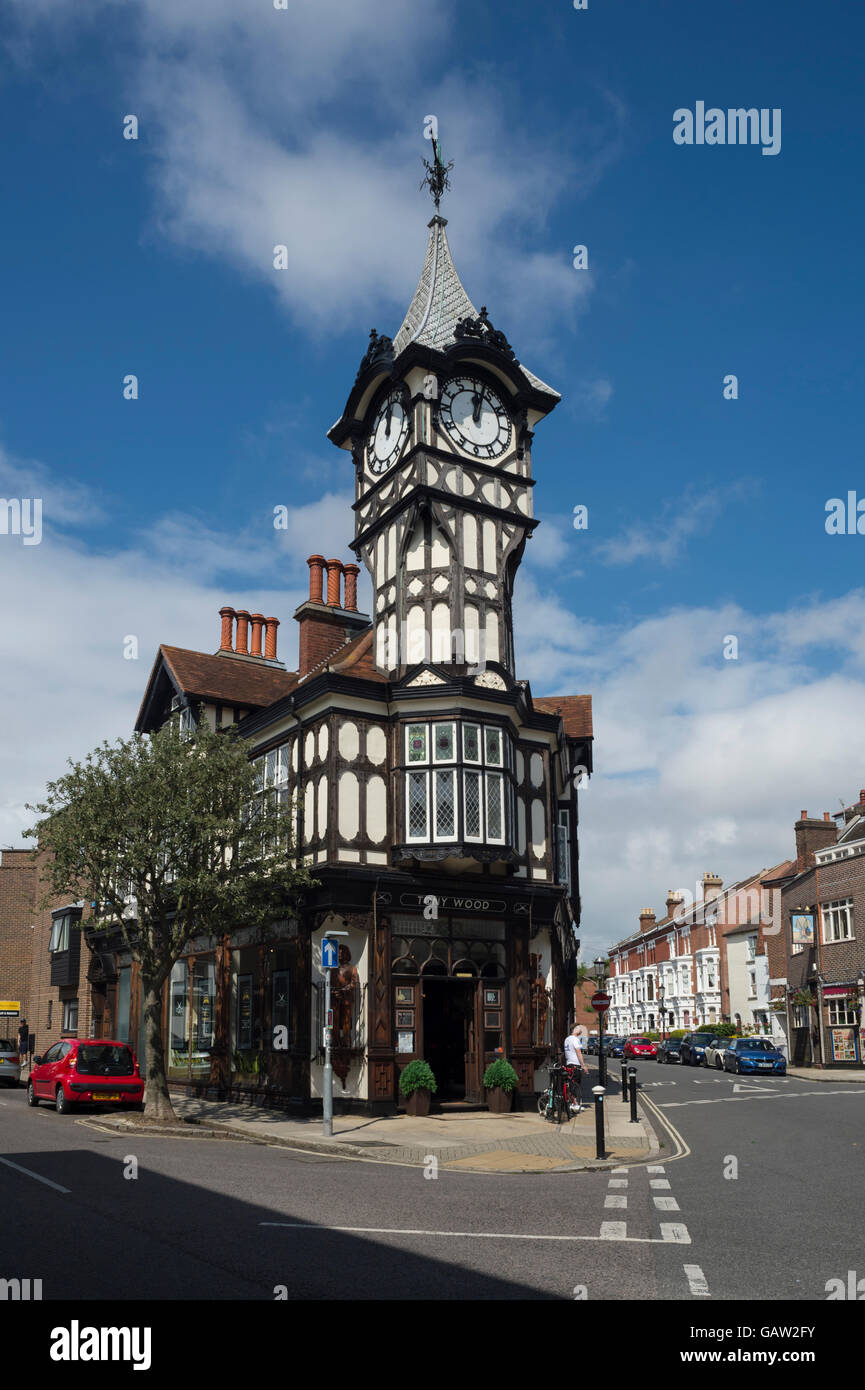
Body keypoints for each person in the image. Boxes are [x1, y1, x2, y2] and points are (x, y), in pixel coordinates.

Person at [563, 1024, 585, 1113]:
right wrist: (583, 1065)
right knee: (576, 1085)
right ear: (575, 1029)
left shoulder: (567, 1039)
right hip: (575, 1065)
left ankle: (572, 1103)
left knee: (571, 1085)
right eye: (579, 1028)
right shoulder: (575, 1039)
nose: (581, 1029)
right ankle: (575, 1104)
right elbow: (578, 1053)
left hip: (569, 1064)